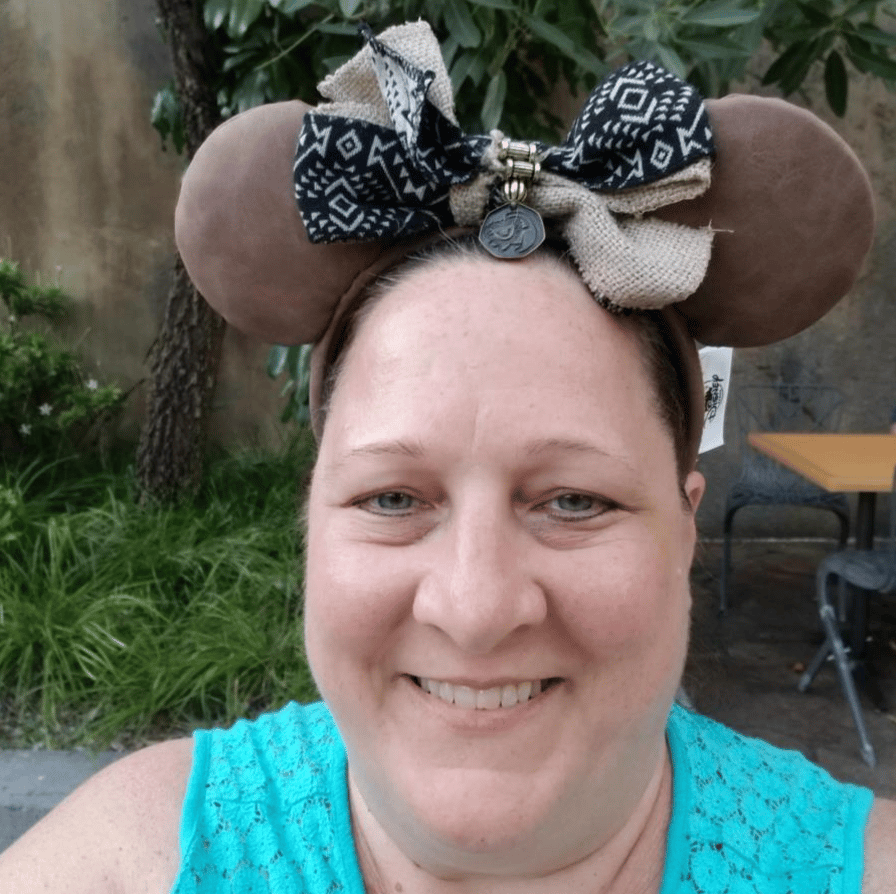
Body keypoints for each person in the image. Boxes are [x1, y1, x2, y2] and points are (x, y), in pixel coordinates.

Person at [1, 20, 894, 894]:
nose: (475, 610)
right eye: (392, 499)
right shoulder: (127, 859)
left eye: (575, 501)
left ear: (685, 527)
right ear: (310, 520)